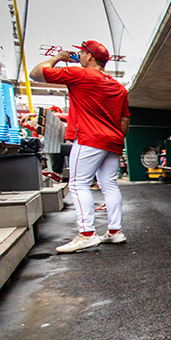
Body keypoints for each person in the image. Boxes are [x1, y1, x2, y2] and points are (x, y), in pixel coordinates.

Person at [30, 40, 131, 253]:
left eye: (82, 53)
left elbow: (36, 73)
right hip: (113, 140)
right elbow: (124, 122)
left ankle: (86, 234)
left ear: (89, 57)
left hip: (88, 138)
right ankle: (115, 231)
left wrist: (59, 58)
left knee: (78, 184)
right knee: (109, 184)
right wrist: (112, 138)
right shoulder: (118, 87)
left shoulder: (80, 74)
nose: (79, 56)